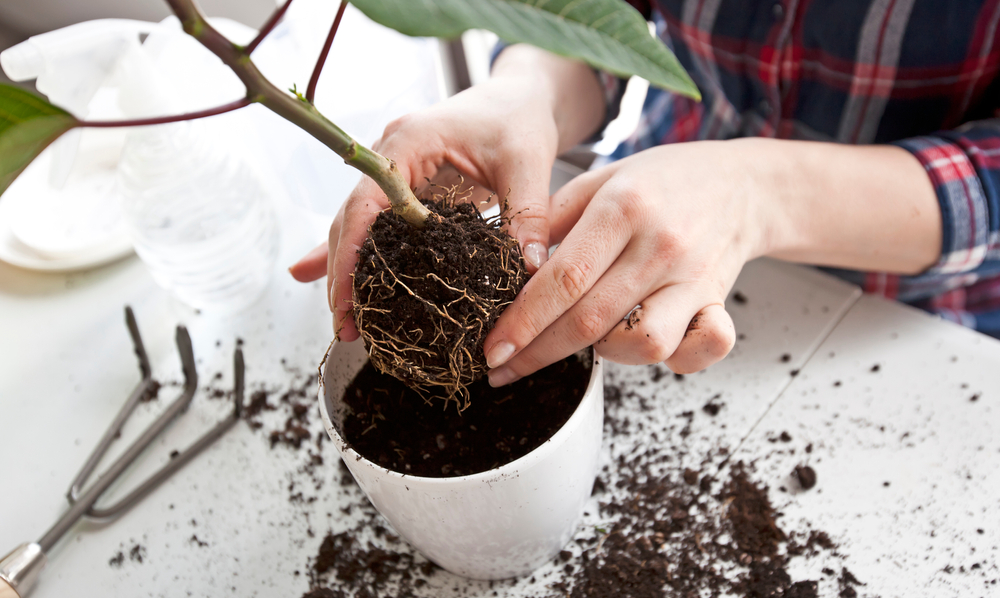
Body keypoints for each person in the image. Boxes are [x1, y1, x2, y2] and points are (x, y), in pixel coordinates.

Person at [290, 0, 1000, 387]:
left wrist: (757, 192)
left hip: (912, 308)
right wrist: (526, 90)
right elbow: (605, 18)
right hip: (643, 212)